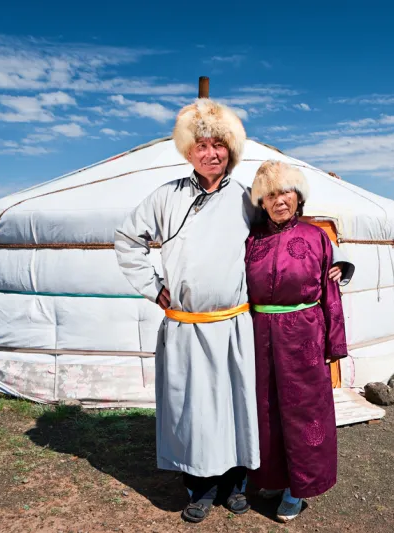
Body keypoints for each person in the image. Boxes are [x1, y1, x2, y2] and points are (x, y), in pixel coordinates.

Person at [114, 100, 346, 523]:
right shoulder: (165, 197)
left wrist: (339, 261)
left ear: (231, 151)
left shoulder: (245, 199)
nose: (210, 154)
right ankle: (200, 488)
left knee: (241, 406)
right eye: (201, 146)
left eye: (218, 146)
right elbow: (127, 239)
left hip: (238, 323)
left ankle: (239, 483)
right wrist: (153, 287)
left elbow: (290, 226)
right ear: (188, 152)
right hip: (187, 326)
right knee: (195, 410)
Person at [245, 160, 350, 522]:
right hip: (259, 334)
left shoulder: (315, 237)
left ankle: (298, 487)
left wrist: (334, 345)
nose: (279, 200)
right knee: (266, 409)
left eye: (286, 192)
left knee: (304, 412)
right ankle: (272, 478)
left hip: (304, 332)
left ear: (298, 196)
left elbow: (330, 292)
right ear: (261, 201)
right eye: (271, 194)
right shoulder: (250, 238)